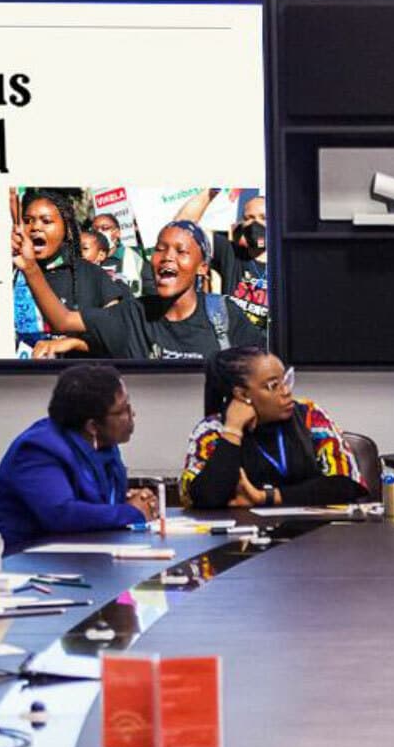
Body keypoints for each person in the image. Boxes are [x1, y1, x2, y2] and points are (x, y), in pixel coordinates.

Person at [0, 364, 157, 546]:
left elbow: (95, 504)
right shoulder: (38, 449)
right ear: (93, 426)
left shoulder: (105, 449)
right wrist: (130, 512)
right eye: (122, 410)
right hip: (10, 560)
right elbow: (61, 514)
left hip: (73, 556)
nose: (132, 414)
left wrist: (128, 501)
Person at [181, 348, 367, 510]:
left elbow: (347, 484)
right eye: (273, 386)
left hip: (312, 540)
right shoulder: (212, 431)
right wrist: (233, 430)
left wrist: (264, 497)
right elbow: (204, 498)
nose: (286, 391)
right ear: (243, 394)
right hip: (240, 542)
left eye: (286, 380)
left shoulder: (310, 415)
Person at [96, 221, 262, 361]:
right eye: (160, 249)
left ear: (203, 268)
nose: (167, 257)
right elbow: (75, 323)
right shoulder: (134, 313)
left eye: (181, 251)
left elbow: (263, 367)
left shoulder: (224, 313)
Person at [11, 186, 126, 359]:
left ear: (66, 228)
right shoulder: (13, 273)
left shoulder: (93, 276)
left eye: (46, 221)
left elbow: (117, 337)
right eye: (27, 221)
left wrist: (73, 343)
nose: (35, 227)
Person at [211, 188, 271, 327]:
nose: (255, 224)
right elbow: (184, 231)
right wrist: (210, 192)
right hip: (237, 344)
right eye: (249, 218)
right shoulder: (231, 253)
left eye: (263, 217)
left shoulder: (288, 262)